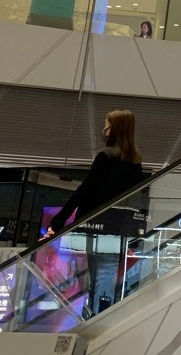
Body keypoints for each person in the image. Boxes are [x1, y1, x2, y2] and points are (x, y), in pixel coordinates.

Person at [44, 109, 145, 315]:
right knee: (106, 276)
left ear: (115, 129)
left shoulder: (106, 156)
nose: (104, 130)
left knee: (93, 276)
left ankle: (95, 317)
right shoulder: (135, 162)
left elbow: (85, 191)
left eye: (107, 125)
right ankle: (103, 314)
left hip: (95, 224)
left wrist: (58, 222)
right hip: (119, 228)